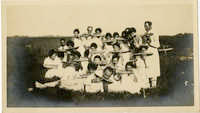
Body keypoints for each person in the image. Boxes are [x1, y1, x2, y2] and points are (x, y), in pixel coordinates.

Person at [142, 21, 160, 88]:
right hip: (147, 53)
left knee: (154, 69)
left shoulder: (154, 34)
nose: (145, 27)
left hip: (153, 53)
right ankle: (148, 87)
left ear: (150, 26)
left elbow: (158, 45)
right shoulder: (144, 34)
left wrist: (150, 43)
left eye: (147, 26)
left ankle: (154, 87)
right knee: (148, 69)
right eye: (145, 26)